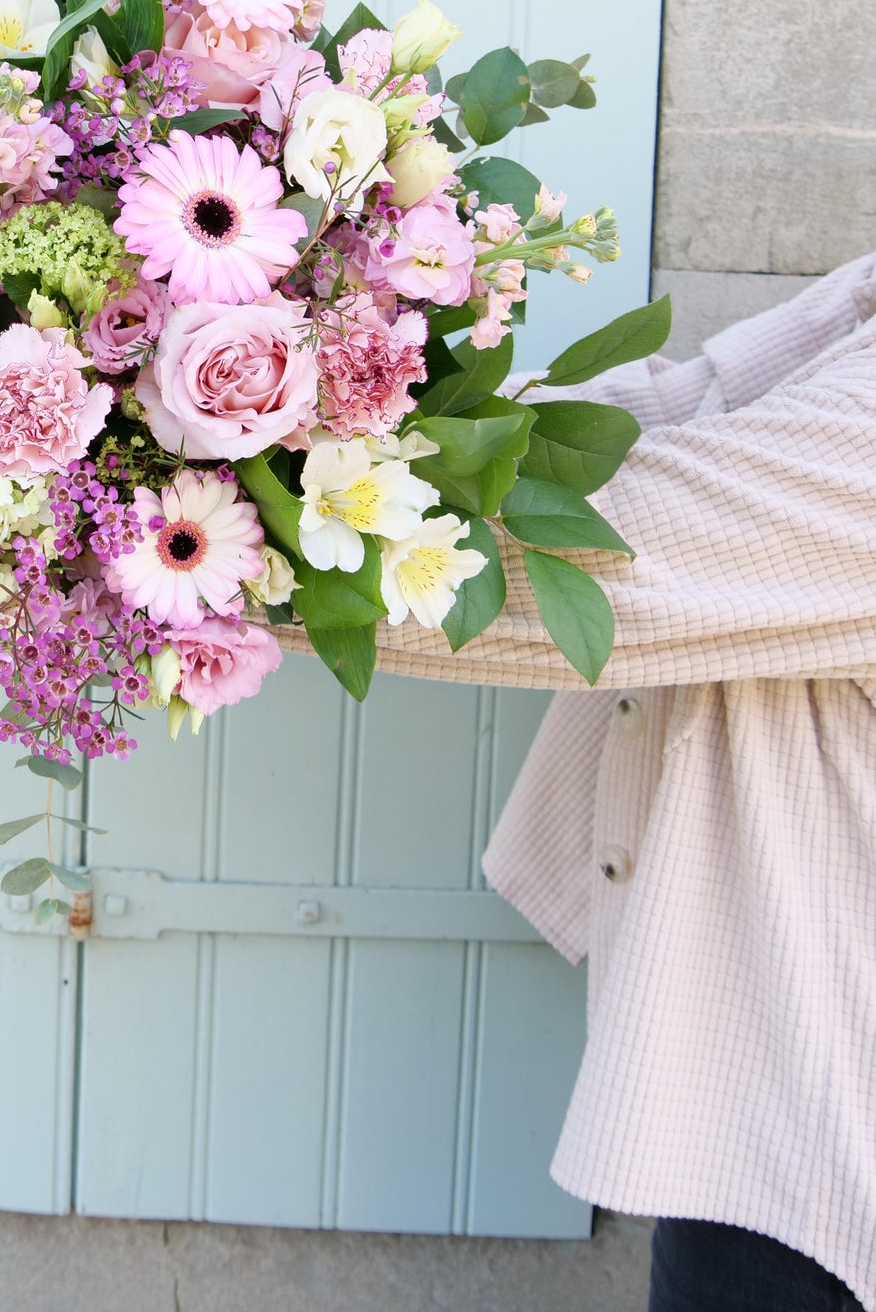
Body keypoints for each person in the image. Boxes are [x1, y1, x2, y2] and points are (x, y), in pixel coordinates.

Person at [374, 252, 876, 1312]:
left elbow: (615, 552)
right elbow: (672, 405)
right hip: (764, 1056)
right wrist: (360, 391)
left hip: (825, 1116)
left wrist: (218, 532)